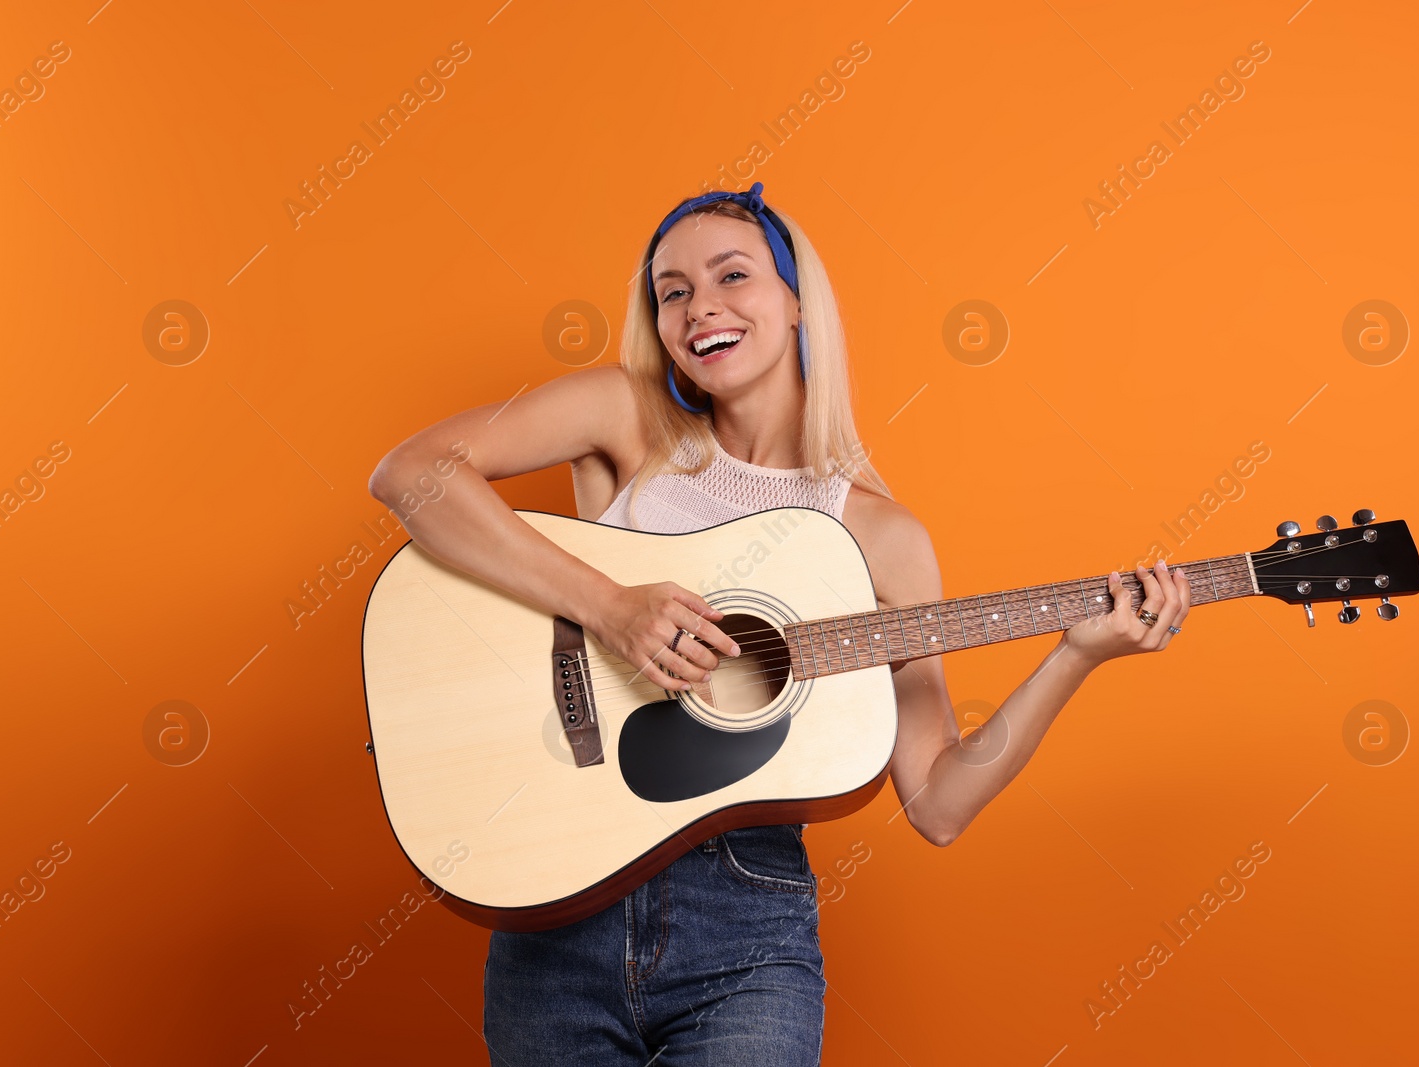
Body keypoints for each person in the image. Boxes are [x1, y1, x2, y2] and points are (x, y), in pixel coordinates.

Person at [367, 180, 1192, 1065]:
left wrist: (1078, 655)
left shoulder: (880, 536)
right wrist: (607, 607)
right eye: (672, 290)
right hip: (555, 911)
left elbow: (939, 801)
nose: (700, 308)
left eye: (732, 276)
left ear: (798, 302)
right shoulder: (625, 419)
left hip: (744, 935)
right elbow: (410, 473)